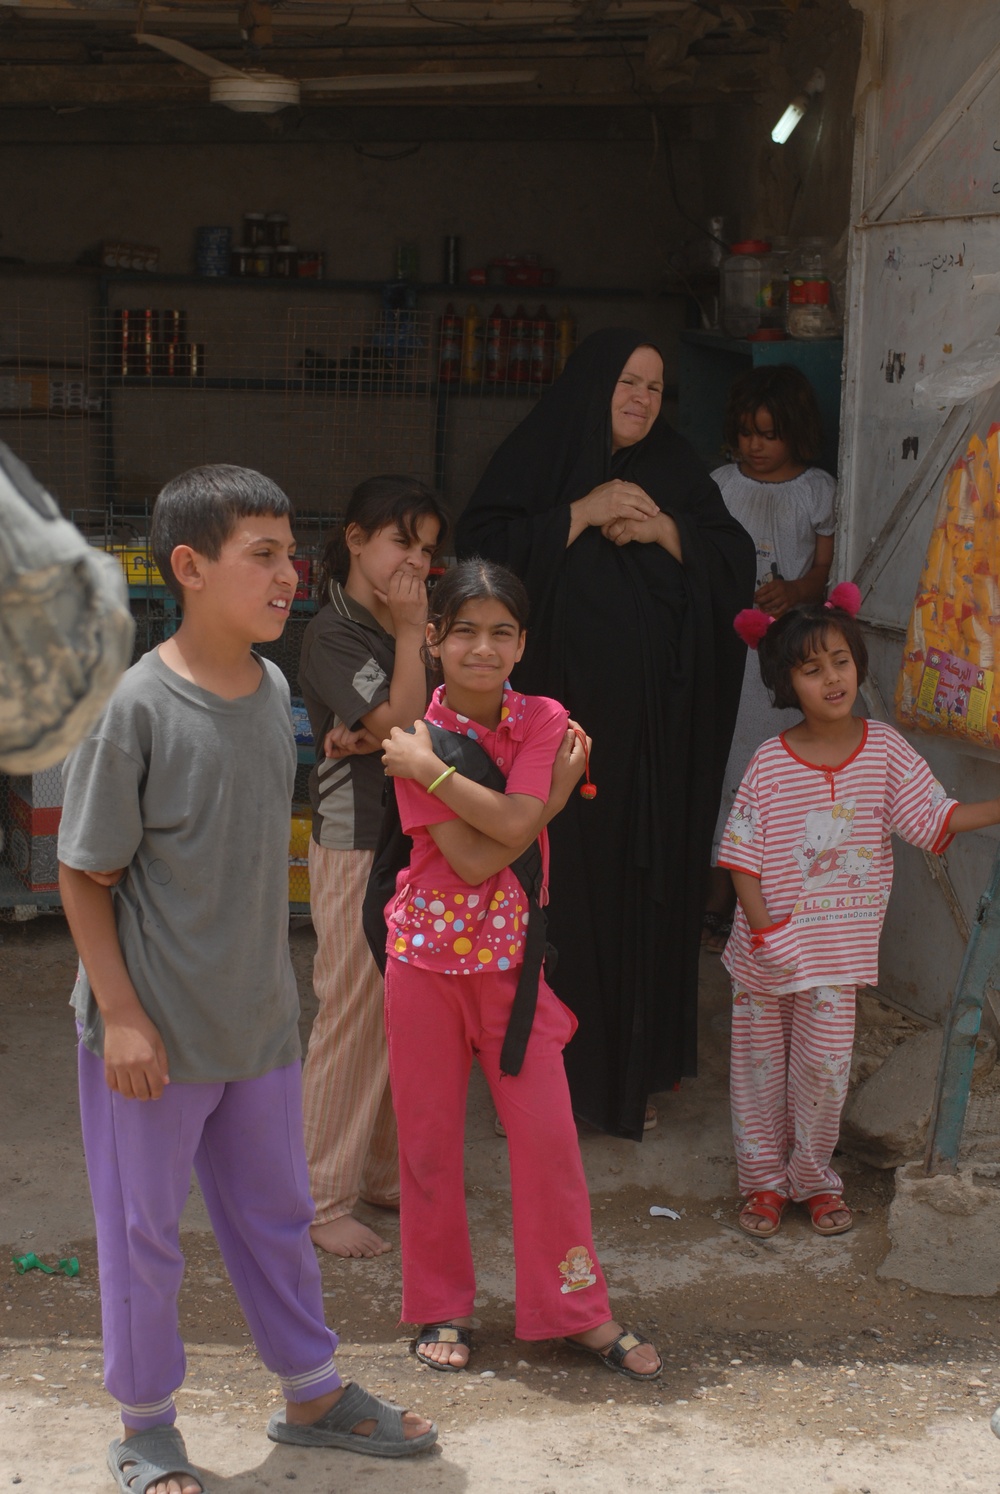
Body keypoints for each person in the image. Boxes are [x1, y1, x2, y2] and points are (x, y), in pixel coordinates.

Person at [57, 465, 437, 1494]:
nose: (288, 574)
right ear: (188, 567)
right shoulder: (135, 709)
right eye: (260, 555)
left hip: (258, 1025)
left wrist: (284, 1003)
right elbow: (84, 878)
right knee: (145, 1237)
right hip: (153, 1042)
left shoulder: (273, 690)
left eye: (289, 553)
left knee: (274, 1216)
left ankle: (311, 1392)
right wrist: (125, 1018)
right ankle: (144, 1426)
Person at [455, 328, 755, 1140]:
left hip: (649, 750)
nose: (641, 400)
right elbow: (481, 558)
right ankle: (545, 1078)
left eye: (655, 388)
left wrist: (664, 533)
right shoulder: (541, 459)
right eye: (628, 381)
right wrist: (581, 515)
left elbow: (734, 564)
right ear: (594, 385)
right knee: (554, 901)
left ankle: (632, 1075)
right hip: (545, 752)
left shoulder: (675, 472)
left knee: (639, 893)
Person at [378, 558, 662, 1381]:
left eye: (501, 632)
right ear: (433, 639)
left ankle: (576, 1309)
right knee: (428, 1144)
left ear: (523, 643)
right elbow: (471, 856)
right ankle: (442, 1305)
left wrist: (456, 785)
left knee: (549, 1142)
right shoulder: (415, 730)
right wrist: (550, 803)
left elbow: (498, 826)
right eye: (463, 629)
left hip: (516, 966)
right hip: (420, 965)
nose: (482, 647)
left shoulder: (534, 721)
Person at [720, 583, 1000, 1239]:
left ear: (858, 663)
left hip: (833, 958)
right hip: (766, 956)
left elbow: (938, 819)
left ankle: (814, 1180)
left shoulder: (885, 752)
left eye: (840, 661)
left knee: (822, 1075)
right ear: (787, 682)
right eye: (812, 669)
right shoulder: (768, 761)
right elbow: (740, 859)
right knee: (759, 1078)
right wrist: (767, 935)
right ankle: (763, 1185)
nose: (831, 678)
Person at [298, 475, 447, 1260]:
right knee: (353, 1009)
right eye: (401, 542)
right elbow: (409, 724)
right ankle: (319, 1195)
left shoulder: (402, 628)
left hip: (414, 836)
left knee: (401, 1009)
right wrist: (408, 642)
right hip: (357, 839)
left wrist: (391, 732)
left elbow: (435, 728)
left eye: (426, 550)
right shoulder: (337, 632)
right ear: (356, 539)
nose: (413, 562)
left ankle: (382, 1172)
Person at [703, 365, 836, 951]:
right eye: (745, 433)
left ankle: (776, 901)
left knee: (773, 773)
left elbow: (827, 568)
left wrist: (799, 593)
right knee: (725, 773)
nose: (754, 446)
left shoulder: (817, 491)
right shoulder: (719, 484)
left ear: (796, 432)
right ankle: (717, 900)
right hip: (726, 656)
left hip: (782, 663)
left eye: (768, 434)